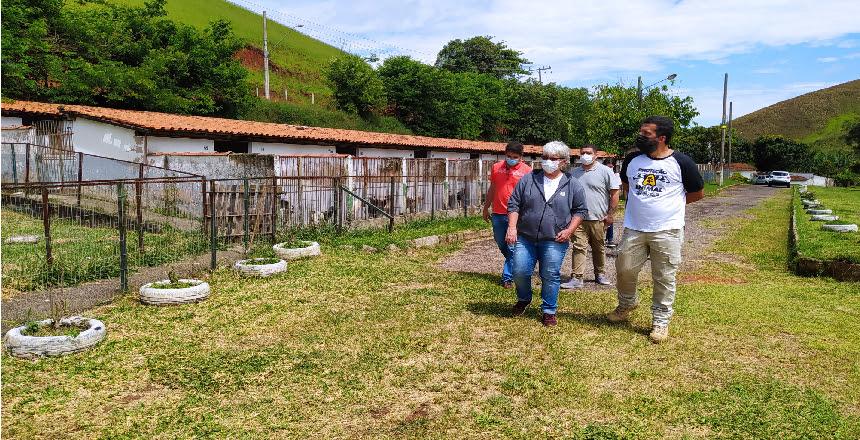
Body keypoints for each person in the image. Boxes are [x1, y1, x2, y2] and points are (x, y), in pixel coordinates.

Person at [608, 116, 704, 343]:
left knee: (664, 277)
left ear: (662, 138)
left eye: (646, 133)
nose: (640, 137)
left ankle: (660, 321)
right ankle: (627, 303)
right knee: (624, 269)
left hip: (668, 230)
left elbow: (697, 193)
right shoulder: (632, 159)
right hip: (634, 228)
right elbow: (627, 185)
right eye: (640, 132)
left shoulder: (682, 162)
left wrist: (669, 206)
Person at [506, 141, 587, 326]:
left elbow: (580, 210)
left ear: (563, 161)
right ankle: (524, 298)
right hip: (525, 237)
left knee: (550, 274)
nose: (547, 161)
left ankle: (549, 309)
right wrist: (512, 227)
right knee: (519, 271)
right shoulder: (529, 179)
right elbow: (514, 203)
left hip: (555, 239)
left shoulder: (572, 184)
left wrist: (569, 230)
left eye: (553, 158)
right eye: (545, 157)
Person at [560, 145, 620, 288]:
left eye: (588, 153)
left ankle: (600, 274)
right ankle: (577, 278)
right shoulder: (574, 173)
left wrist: (610, 215)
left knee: (598, 247)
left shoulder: (605, 171)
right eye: (583, 153)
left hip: (598, 218)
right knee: (578, 247)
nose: (585, 155)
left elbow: (614, 193)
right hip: (577, 219)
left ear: (595, 155)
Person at [483, 142, 532, 288]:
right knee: (501, 243)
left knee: (511, 246)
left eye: (515, 157)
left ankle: (507, 278)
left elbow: (529, 194)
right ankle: (518, 261)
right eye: (508, 156)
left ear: (521, 157)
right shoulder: (496, 167)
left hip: (516, 215)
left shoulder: (527, 171)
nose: (511, 159)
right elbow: (493, 188)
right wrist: (486, 207)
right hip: (498, 213)